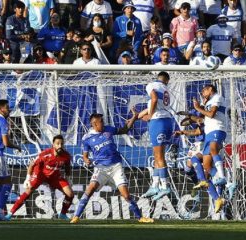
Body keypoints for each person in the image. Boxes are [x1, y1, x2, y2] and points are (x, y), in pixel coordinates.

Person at [70, 112, 154, 224]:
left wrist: (134, 117)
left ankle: (140, 217)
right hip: (101, 169)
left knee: (126, 195)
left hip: (116, 167)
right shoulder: (87, 138)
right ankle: (76, 216)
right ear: (94, 124)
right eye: (101, 122)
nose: (103, 123)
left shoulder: (108, 129)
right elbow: (85, 156)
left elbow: (124, 130)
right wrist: (86, 160)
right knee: (89, 190)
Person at [5, 135, 74, 220]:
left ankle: (63, 214)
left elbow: (68, 168)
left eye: (62, 144)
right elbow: (31, 164)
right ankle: (10, 214)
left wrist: (68, 179)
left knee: (70, 194)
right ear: (53, 144)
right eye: (57, 143)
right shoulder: (45, 154)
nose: (60, 146)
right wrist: (27, 178)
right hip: (40, 174)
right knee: (28, 191)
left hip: (54, 176)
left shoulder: (66, 156)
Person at [139, 71, 174, 201]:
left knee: (159, 156)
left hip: (158, 122)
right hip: (167, 121)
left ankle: (165, 186)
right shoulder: (166, 89)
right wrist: (140, 115)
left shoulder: (152, 85)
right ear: (167, 81)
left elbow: (153, 99)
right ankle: (154, 185)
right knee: (157, 156)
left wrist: (150, 115)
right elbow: (154, 103)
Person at [192, 84, 227, 212]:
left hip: (218, 129)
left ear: (210, 89)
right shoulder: (208, 102)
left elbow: (211, 114)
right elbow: (204, 118)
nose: (202, 93)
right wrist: (199, 108)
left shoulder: (217, 97)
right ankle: (218, 198)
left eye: (204, 90)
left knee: (213, 149)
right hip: (209, 133)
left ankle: (223, 177)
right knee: (206, 167)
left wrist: (197, 108)